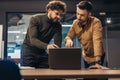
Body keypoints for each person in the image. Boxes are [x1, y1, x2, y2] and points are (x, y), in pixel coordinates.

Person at [64, 1, 107, 80]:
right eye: (77, 14)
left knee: (100, 78)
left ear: (89, 14)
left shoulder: (96, 22)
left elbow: (97, 41)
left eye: (82, 15)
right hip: (86, 57)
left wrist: (98, 62)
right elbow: (68, 36)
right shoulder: (75, 23)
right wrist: (68, 40)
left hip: (98, 57)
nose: (79, 17)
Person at [21, 0, 66, 68]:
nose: (59, 17)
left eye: (60, 15)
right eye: (56, 13)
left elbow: (57, 45)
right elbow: (33, 39)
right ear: (49, 10)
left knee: (46, 73)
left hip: (42, 52)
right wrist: (47, 46)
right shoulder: (35, 19)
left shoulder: (58, 25)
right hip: (29, 51)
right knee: (29, 74)